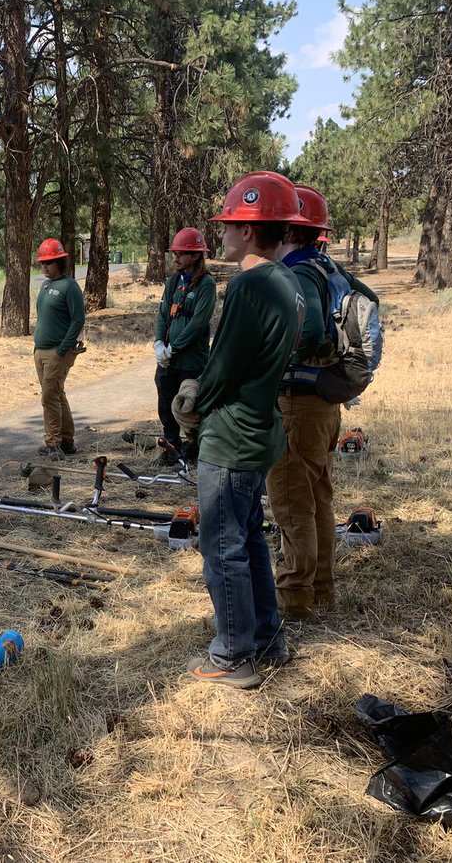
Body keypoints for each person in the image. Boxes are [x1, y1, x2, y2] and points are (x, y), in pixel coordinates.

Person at [176, 172, 306, 689]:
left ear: (249, 230)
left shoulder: (250, 283)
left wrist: (193, 399)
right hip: (260, 429)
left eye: (228, 224)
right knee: (249, 537)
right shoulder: (288, 282)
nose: (221, 234)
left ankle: (233, 655)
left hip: (231, 434)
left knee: (222, 544)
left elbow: (224, 362)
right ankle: (268, 638)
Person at [267, 184, 378, 619]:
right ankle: (322, 589)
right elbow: (370, 301)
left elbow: (310, 332)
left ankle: (294, 600)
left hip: (298, 403)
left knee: (291, 503)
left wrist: (273, 352)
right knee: (316, 500)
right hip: (324, 404)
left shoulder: (297, 272)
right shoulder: (330, 268)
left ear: (290, 229)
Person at [153, 228, 216, 465]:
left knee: (190, 404)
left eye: (181, 253)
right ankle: (171, 446)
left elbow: (199, 323)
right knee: (165, 400)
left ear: (196, 256)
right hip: (169, 360)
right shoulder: (173, 282)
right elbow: (162, 314)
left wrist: (174, 347)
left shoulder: (206, 285)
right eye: (175, 252)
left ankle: (194, 447)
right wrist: (159, 343)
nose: (176, 257)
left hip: (191, 359)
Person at [33, 238, 86, 460]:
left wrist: (62, 349)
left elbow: (78, 320)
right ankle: (67, 440)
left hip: (58, 352)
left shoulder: (69, 286)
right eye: (42, 263)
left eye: (49, 263)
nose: (45, 267)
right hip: (41, 351)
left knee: (49, 396)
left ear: (60, 262)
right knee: (57, 394)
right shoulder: (46, 286)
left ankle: (53, 444)